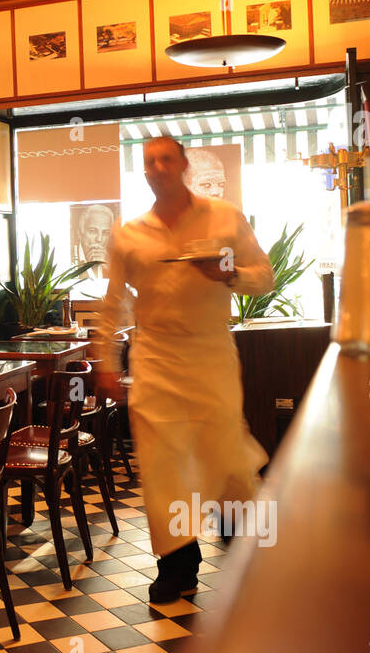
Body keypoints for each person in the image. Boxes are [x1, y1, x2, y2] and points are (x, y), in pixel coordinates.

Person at [93, 136, 273, 603]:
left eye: (166, 159)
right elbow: (111, 304)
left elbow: (264, 276)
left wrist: (228, 273)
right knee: (162, 465)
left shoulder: (223, 216)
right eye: (149, 161)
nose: (158, 167)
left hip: (211, 352)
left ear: (183, 165)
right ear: (146, 173)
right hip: (154, 356)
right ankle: (177, 566)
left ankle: (243, 547)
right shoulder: (129, 233)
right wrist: (106, 364)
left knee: (225, 453)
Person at [74, 204, 114, 277]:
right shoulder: (67, 258)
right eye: (93, 231)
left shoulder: (113, 262)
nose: (99, 239)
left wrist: (111, 269)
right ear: (80, 233)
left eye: (106, 233)